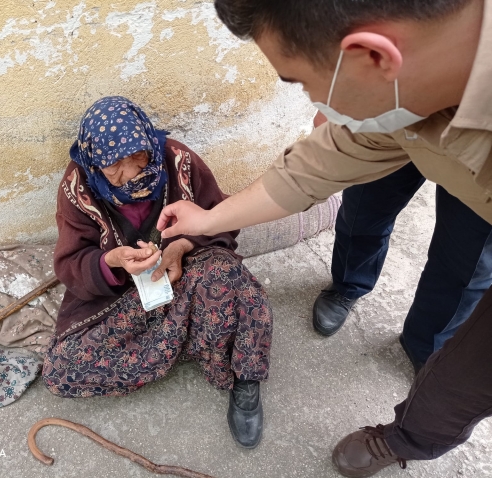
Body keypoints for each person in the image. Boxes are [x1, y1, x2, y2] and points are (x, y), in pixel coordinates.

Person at [156, 0, 492, 475]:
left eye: (304, 83)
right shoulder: (399, 96)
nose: (316, 106)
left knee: (463, 362)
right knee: (365, 212)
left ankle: (420, 396)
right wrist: (205, 221)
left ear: (373, 58)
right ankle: (358, 299)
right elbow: (306, 174)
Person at [42, 96, 274, 449]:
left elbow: (221, 216)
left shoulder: (177, 160)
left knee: (229, 280)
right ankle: (184, 335)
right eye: (115, 165)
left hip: (190, 269)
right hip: (127, 293)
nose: (133, 173)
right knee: (63, 369)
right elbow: (71, 263)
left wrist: (181, 247)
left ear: (150, 140)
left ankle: (244, 376)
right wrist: (112, 261)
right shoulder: (78, 188)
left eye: (139, 156)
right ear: (94, 161)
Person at [311, 112, 492, 374]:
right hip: (407, 103)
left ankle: (427, 343)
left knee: (469, 260)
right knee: (365, 207)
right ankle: (348, 284)